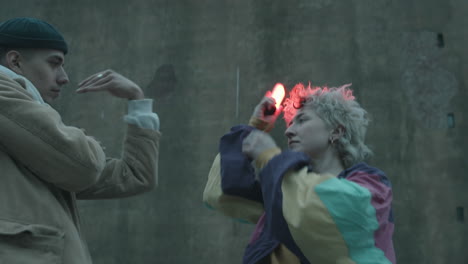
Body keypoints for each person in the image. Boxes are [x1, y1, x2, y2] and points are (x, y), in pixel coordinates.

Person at [0, 17, 161, 263]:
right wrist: (85, 141)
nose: (64, 77)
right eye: (54, 63)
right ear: (15, 61)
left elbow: (135, 176)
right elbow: (83, 164)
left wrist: (137, 102)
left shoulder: (28, 136)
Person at [203, 83, 395, 263]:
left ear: (336, 132)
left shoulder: (372, 187)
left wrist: (270, 158)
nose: (289, 132)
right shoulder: (285, 189)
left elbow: (317, 209)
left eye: (302, 120)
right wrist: (255, 129)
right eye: (290, 124)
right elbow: (220, 193)